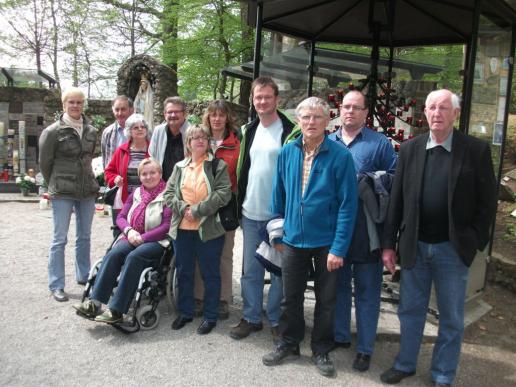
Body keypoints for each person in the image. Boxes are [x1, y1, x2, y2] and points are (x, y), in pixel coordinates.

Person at [380, 89, 497, 386]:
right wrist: (389, 245)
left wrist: (472, 242)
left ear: (455, 114)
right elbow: (397, 201)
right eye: (431, 107)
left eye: (443, 108)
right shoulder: (410, 149)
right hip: (415, 247)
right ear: (425, 113)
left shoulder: (475, 151)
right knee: (409, 310)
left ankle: (443, 374)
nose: (436, 113)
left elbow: (488, 204)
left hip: (452, 250)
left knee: (451, 318)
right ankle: (405, 363)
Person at [262, 97, 357, 378]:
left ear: (328, 121)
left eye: (317, 117)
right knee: (290, 297)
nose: (311, 122)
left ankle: (321, 349)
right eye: (306, 117)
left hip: (326, 242)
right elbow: (277, 196)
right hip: (291, 240)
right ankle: (289, 343)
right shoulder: (287, 152)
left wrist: (338, 248)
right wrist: (277, 234)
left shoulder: (340, 156)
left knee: (326, 300)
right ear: (299, 121)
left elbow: (348, 206)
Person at [328, 91, 397, 372]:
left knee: (368, 293)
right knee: (339, 287)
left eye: (357, 108)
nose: (350, 112)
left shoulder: (379, 144)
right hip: (336, 232)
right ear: (339, 110)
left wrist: (369, 181)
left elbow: (394, 182)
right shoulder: (328, 141)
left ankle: (366, 348)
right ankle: (341, 336)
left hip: (367, 232)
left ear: (366, 113)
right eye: (346, 107)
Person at [231, 76, 298, 342]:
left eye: (267, 97)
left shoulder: (290, 130)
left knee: (278, 271)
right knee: (250, 270)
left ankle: (275, 319)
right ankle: (250, 317)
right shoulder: (249, 130)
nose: (261, 101)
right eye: (257, 97)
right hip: (250, 212)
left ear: (276, 99)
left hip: (278, 216)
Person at [73, 158, 172, 323]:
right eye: (144, 174)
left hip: (156, 241)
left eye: (153, 173)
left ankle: (117, 310)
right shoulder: (136, 193)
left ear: (160, 174)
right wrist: (129, 230)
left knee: (134, 257)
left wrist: (143, 237)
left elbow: (166, 226)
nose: (149, 177)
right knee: (115, 253)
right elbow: (121, 217)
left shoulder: (168, 195)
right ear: (139, 177)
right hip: (132, 235)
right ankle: (94, 303)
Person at [164, 125, 231, 335]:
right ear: (188, 143)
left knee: (210, 273)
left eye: (203, 137)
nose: (199, 140)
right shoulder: (179, 167)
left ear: (209, 142)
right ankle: (185, 312)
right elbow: (168, 195)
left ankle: (210, 316)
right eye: (194, 138)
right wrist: (184, 209)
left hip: (209, 228)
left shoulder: (217, 166)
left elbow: (224, 193)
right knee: (185, 272)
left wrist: (199, 210)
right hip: (183, 229)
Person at [39, 87, 100, 302]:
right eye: (71, 102)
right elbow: (45, 163)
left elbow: (89, 159)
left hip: (87, 190)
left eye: (79, 102)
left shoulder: (91, 131)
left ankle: (83, 276)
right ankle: (56, 284)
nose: (75, 106)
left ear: (83, 105)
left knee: (84, 236)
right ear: (64, 105)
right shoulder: (53, 131)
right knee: (59, 239)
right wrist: (54, 184)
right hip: (63, 191)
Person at [193, 100, 240, 319]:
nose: (217, 119)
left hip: (225, 205)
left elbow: (239, 175)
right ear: (208, 117)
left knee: (223, 254)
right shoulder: (200, 139)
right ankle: (200, 297)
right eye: (213, 115)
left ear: (227, 117)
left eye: (221, 115)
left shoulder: (236, 143)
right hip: (200, 204)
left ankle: (222, 299)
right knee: (201, 252)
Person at [104, 114, 151, 236]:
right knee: (121, 232)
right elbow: (109, 171)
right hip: (124, 199)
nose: (140, 129)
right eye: (135, 127)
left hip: (147, 200)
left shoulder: (153, 148)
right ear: (129, 131)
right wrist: (115, 179)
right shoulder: (122, 150)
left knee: (142, 232)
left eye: (142, 127)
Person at [149, 96, 190, 181]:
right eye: (170, 112)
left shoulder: (192, 132)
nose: (173, 115)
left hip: (186, 184)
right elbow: (152, 157)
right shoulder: (158, 131)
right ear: (165, 114)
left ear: (184, 113)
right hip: (162, 185)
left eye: (177, 112)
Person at [101, 96, 134, 168]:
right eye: (117, 110)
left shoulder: (142, 130)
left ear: (131, 110)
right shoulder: (108, 132)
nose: (120, 113)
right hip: (115, 176)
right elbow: (105, 158)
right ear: (113, 111)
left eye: (123, 109)